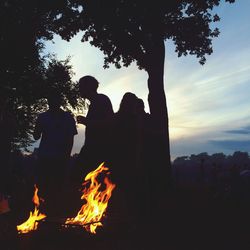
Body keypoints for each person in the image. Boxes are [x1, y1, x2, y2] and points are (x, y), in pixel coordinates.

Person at [33, 91, 78, 216]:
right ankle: (45, 213)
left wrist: (66, 156)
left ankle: (53, 214)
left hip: (57, 158)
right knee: (46, 187)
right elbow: (36, 135)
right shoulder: (44, 117)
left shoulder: (66, 117)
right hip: (48, 157)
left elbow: (70, 139)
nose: (51, 103)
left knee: (54, 187)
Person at [75, 75, 114, 179]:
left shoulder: (101, 99)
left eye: (81, 86)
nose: (79, 89)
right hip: (92, 148)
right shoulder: (96, 102)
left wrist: (86, 121)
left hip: (98, 149)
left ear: (88, 87)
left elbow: (109, 122)